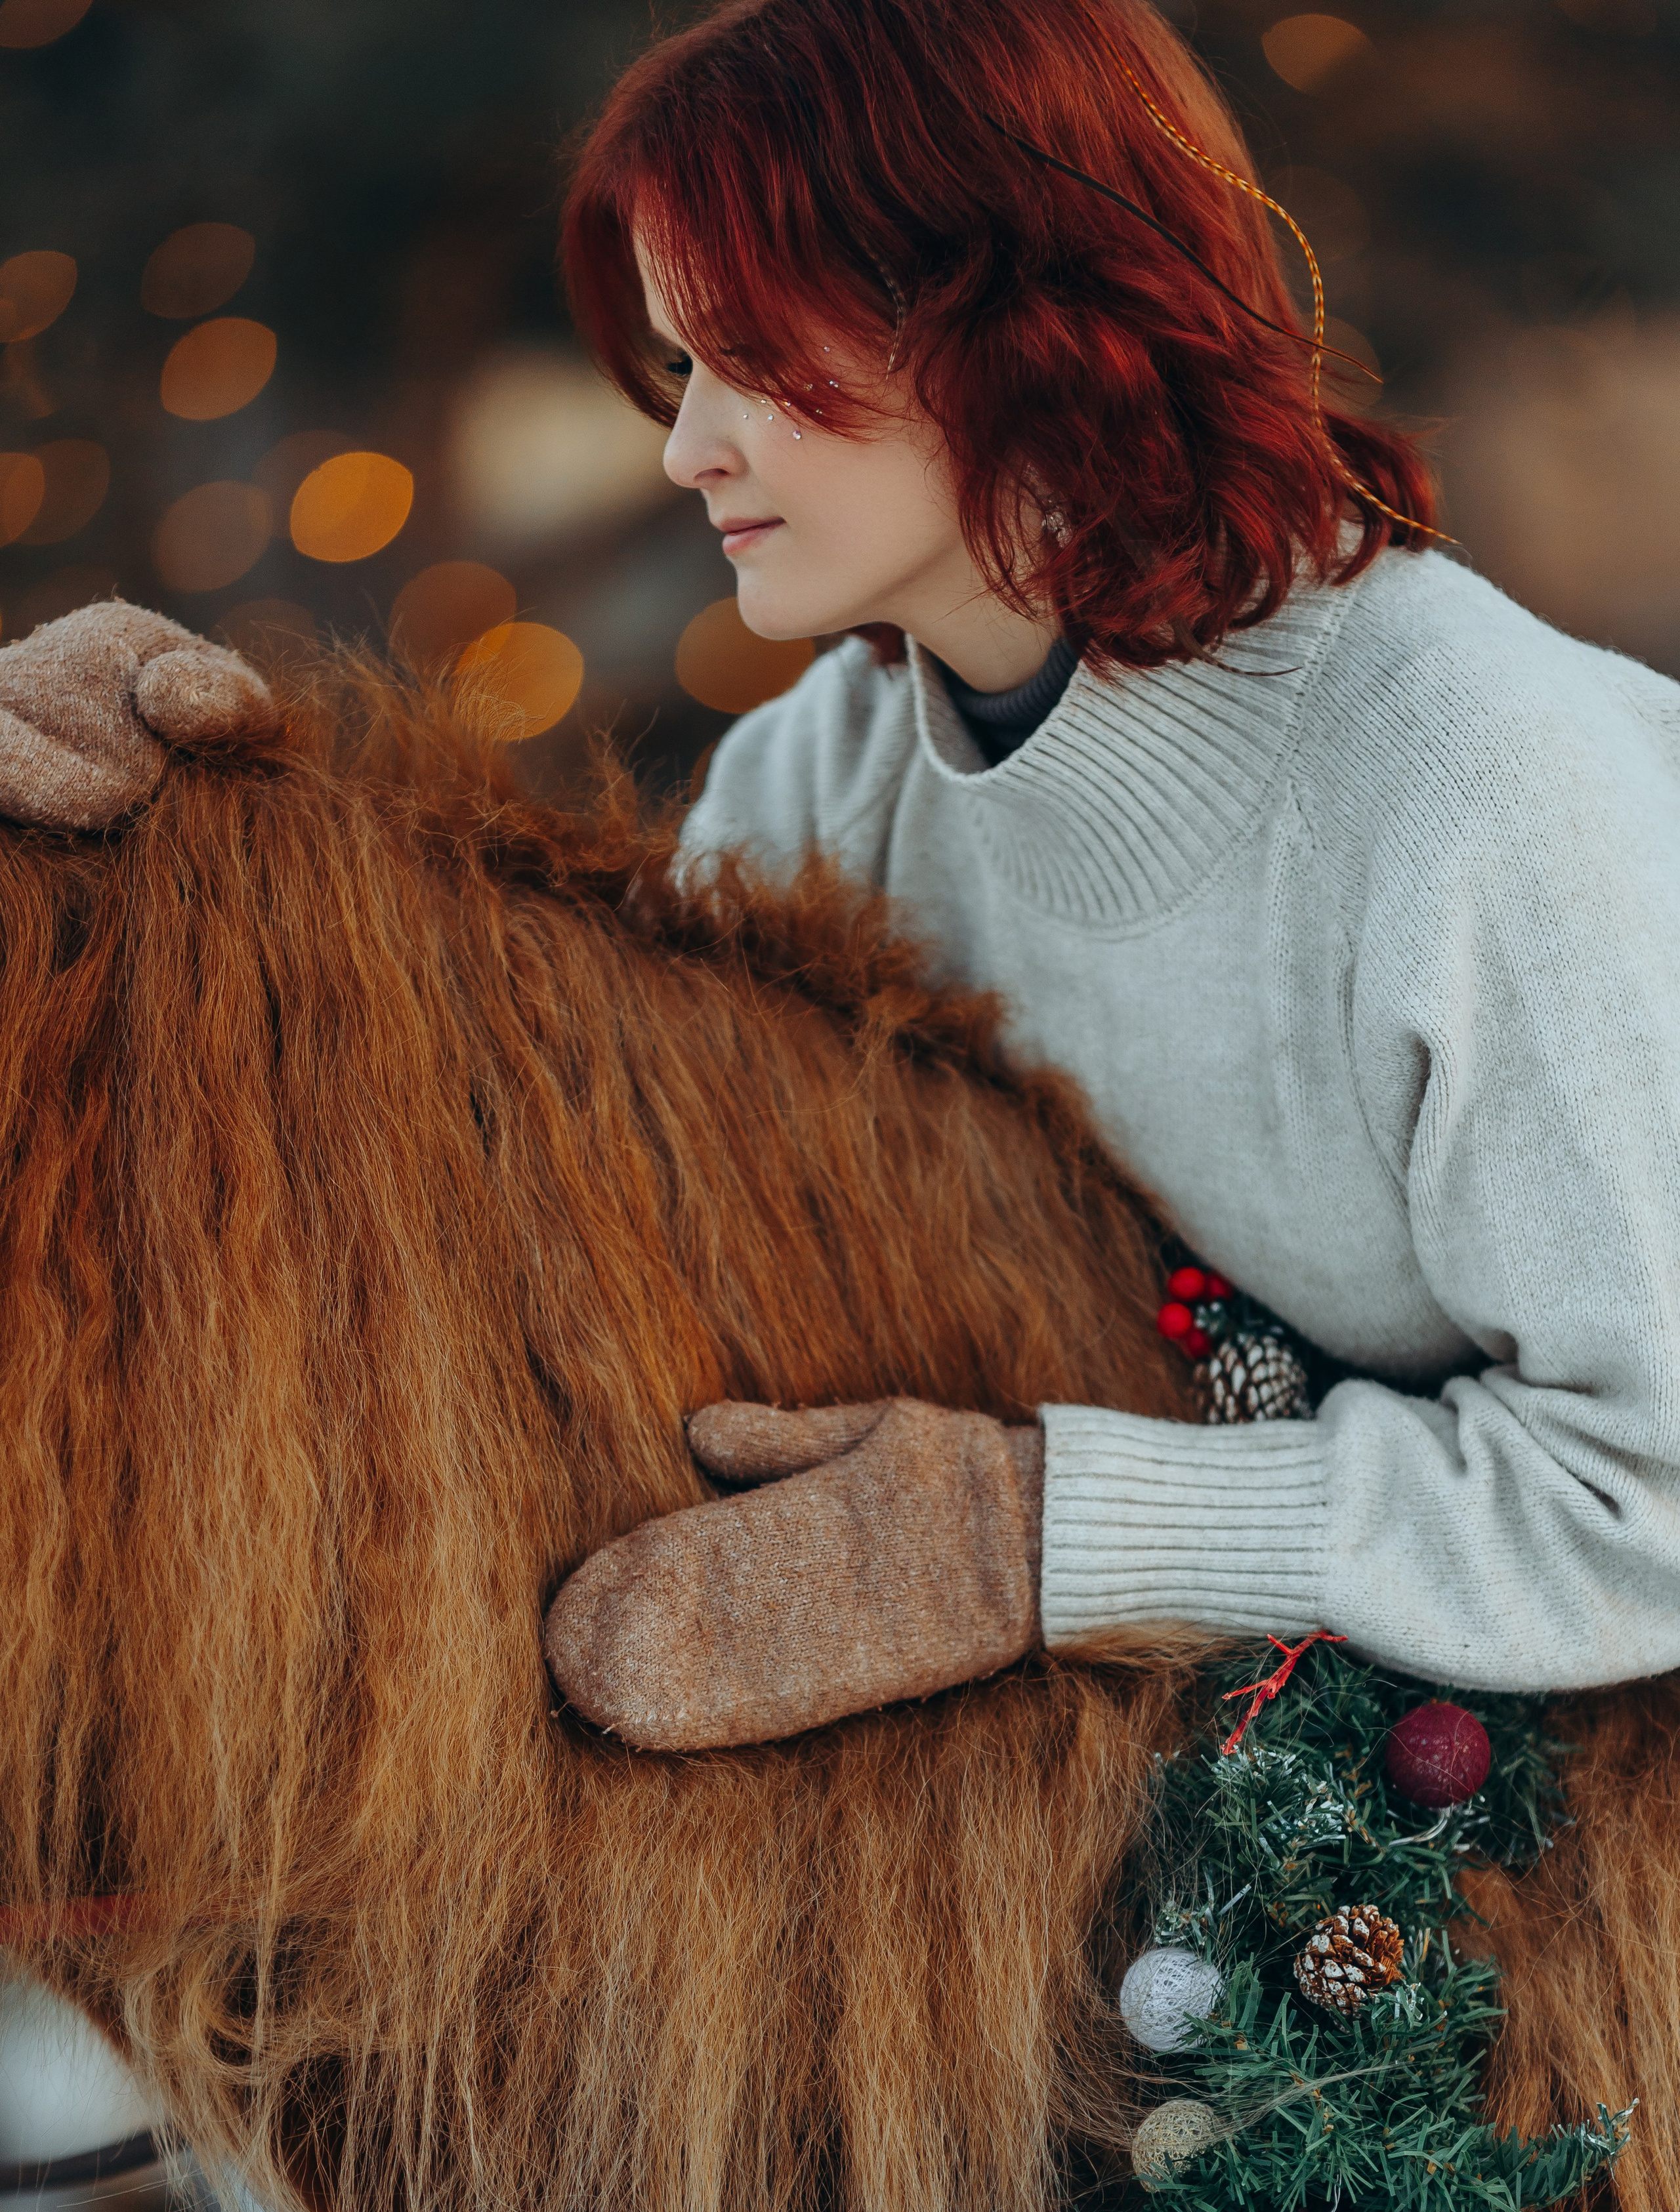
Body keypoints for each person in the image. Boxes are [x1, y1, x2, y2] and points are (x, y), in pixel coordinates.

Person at [8, 0, 1679, 1752]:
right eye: (677, 367)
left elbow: (1648, 1493)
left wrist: (1034, 1535)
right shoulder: (836, 769)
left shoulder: (1483, 783)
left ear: (1015, 321)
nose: (685, 446)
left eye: (747, 356)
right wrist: (211, 859)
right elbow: (578, 1169)